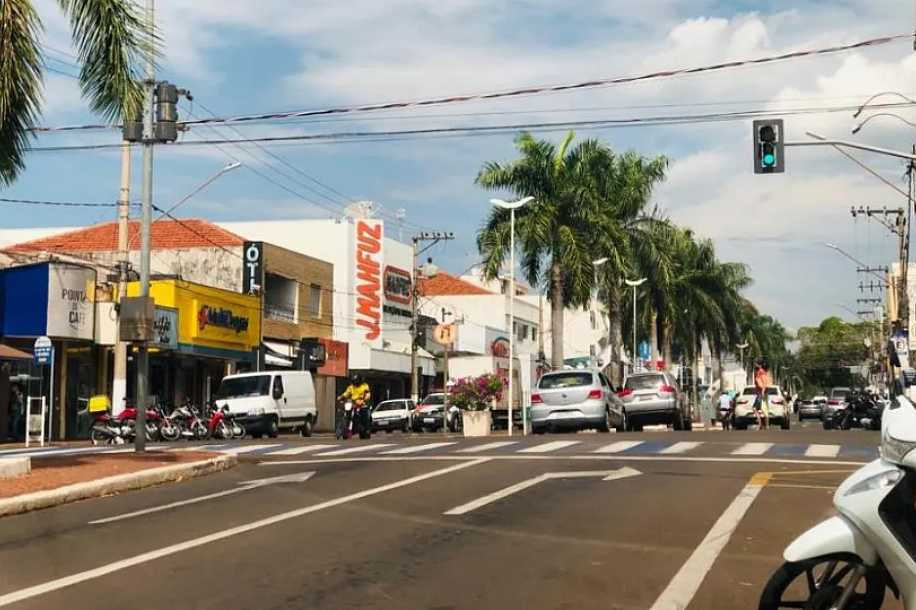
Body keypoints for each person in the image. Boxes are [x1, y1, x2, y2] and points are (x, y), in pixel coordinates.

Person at [753, 360, 772, 429]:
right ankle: (766, 425)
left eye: (756, 364)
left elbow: (764, 384)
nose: (755, 365)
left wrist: (763, 392)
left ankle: (761, 424)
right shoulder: (762, 372)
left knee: (756, 408)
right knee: (763, 409)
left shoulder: (761, 372)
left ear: (760, 365)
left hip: (761, 393)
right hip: (761, 393)